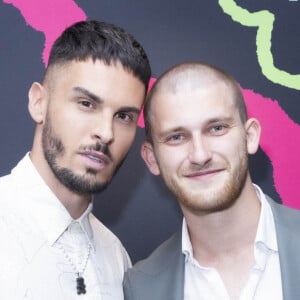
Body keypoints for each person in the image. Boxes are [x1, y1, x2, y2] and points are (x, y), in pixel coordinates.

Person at [123, 62, 300, 300]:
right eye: (176, 137)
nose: (200, 155)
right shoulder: (141, 288)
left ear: (249, 137)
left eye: (216, 128)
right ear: (152, 158)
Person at [0, 20, 151, 299]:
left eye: (123, 116)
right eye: (86, 104)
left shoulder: (116, 258)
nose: (106, 133)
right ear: (38, 103)